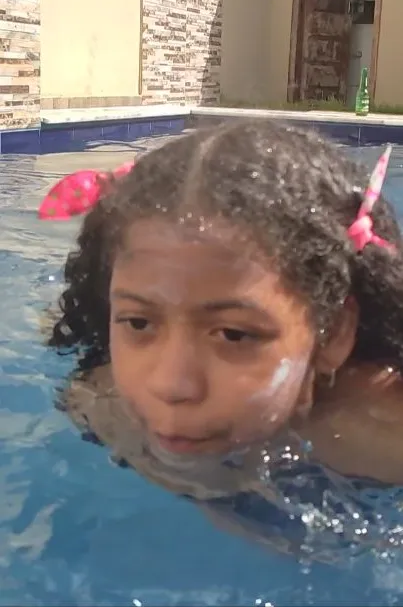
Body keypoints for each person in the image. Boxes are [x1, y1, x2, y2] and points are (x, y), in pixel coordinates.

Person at [40, 120, 403, 560]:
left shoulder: (385, 434)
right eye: (138, 323)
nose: (172, 385)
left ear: (334, 334)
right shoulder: (98, 406)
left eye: (233, 334)